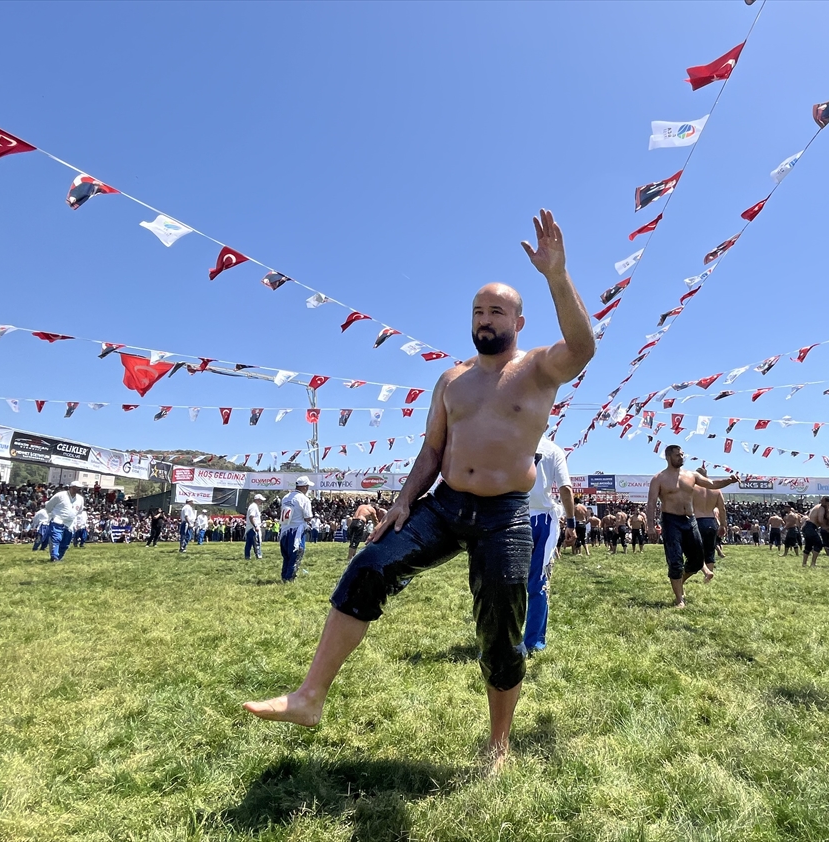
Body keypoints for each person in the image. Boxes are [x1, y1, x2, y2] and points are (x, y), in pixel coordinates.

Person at [244, 209, 595, 770]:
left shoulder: (538, 368)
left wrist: (557, 275)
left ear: (518, 321)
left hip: (505, 514)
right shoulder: (451, 379)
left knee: (501, 629)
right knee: (369, 566)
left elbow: (583, 347)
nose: (485, 319)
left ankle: (498, 745)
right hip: (445, 505)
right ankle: (309, 696)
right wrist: (405, 499)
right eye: (478, 310)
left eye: (497, 310)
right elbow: (432, 451)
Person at [645, 446, 739, 607]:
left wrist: (728, 480)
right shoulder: (659, 478)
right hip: (670, 520)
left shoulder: (691, 475)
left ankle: (680, 581)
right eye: (677, 455)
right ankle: (679, 599)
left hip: (690, 520)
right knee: (675, 560)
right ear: (668, 457)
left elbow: (712, 484)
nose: (681, 457)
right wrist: (651, 526)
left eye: (682, 454)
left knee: (697, 561)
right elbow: (651, 503)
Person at [525, 432, 574, 653]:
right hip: (542, 520)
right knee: (539, 581)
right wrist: (570, 523)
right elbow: (565, 488)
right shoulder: (553, 450)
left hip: (514, 516)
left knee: (507, 581)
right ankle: (533, 641)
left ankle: (505, 639)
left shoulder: (509, 439)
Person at [279, 477, 314, 582]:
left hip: (285, 529)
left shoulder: (285, 497)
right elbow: (308, 517)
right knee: (296, 554)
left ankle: (284, 575)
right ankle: (290, 577)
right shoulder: (304, 499)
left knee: (286, 556)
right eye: (307, 486)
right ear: (304, 487)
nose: (308, 488)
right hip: (297, 530)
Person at [692, 466, 727, 572]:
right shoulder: (716, 490)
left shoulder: (693, 488)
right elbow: (722, 509)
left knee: (695, 549)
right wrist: (723, 525)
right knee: (710, 550)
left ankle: (699, 571)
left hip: (697, 520)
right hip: (711, 521)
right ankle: (709, 575)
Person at [44, 480, 84, 562]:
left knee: (66, 542)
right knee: (56, 539)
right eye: (75, 488)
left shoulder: (80, 499)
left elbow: (79, 511)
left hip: (69, 523)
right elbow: (48, 506)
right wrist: (52, 515)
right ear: (70, 488)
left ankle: (59, 557)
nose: (77, 490)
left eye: (79, 489)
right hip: (57, 520)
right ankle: (54, 556)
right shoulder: (60, 495)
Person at [245, 494, 265, 560]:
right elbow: (251, 517)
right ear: (257, 500)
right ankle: (258, 555)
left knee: (249, 543)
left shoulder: (252, 506)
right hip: (253, 528)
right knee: (257, 542)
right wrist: (256, 526)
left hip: (250, 528)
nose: (261, 502)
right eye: (261, 500)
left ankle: (247, 556)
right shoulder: (254, 506)